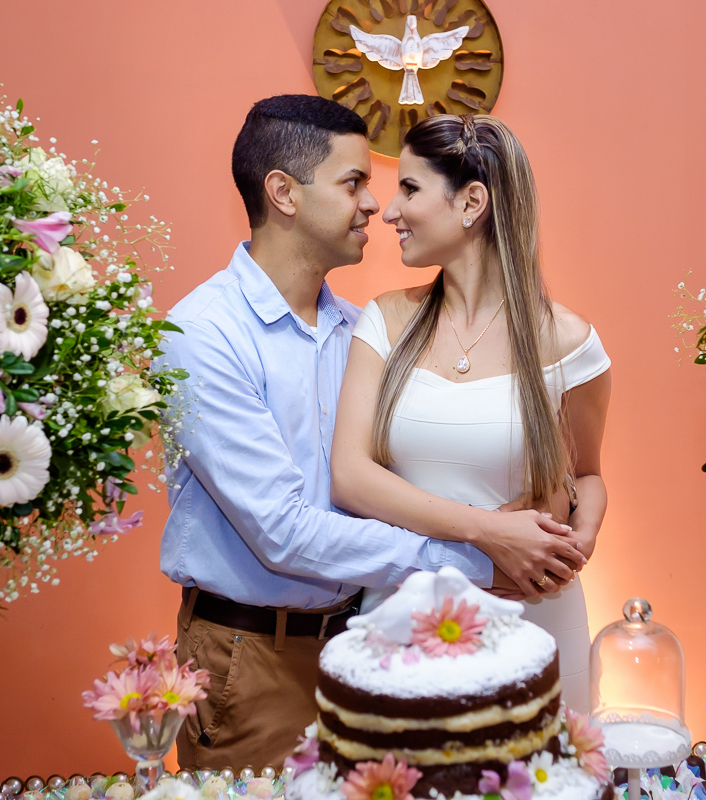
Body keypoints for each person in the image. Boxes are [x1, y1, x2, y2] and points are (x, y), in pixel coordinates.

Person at [158, 96, 585, 772]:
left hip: (372, 638)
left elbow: (413, 474)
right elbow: (284, 534)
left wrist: (567, 510)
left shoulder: (364, 328)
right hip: (254, 658)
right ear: (284, 194)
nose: (374, 205)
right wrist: (484, 557)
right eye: (354, 182)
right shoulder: (205, 336)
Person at [330, 114, 612, 713]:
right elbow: (350, 476)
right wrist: (486, 532)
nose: (388, 211)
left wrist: (578, 541)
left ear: (471, 203)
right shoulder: (383, 322)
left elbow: (586, 475)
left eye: (410, 189)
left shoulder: (571, 343)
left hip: (532, 615)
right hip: (403, 618)